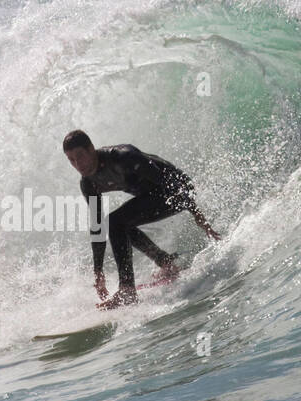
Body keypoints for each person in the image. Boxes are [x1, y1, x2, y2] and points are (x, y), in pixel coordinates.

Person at [63, 129, 220, 309]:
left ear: (91, 148)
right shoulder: (89, 183)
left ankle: (127, 291)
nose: (78, 164)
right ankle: (166, 263)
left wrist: (198, 216)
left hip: (177, 189)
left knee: (116, 221)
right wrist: (98, 271)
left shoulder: (124, 157)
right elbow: (97, 225)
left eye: (80, 156)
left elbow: (170, 182)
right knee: (119, 224)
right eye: (71, 160)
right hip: (152, 195)